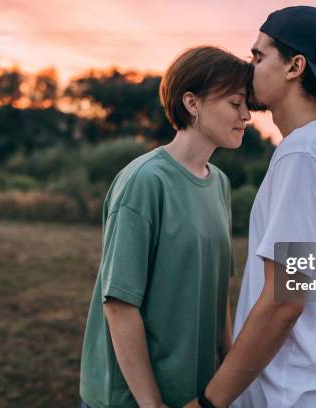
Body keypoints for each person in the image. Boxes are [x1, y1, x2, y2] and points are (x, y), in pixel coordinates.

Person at [185, 6, 316, 408]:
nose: (249, 69)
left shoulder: (303, 154)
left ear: (294, 66)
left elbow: (284, 299)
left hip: (294, 396)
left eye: (259, 56)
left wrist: (211, 402)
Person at [79, 46, 252, 408]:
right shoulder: (143, 181)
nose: (247, 115)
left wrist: (229, 375)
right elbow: (119, 305)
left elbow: (217, 293)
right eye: (236, 104)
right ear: (192, 103)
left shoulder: (219, 183)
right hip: (133, 399)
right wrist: (151, 404)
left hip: (194, 396)